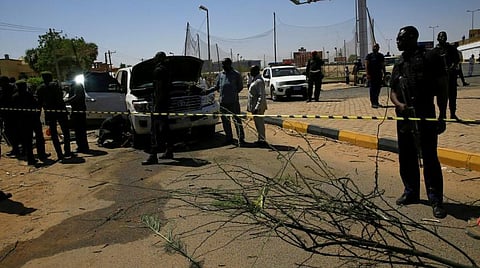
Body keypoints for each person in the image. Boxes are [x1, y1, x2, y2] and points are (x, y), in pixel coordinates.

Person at [390, 26, 448, 219]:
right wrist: (399, 105)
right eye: (398, 39)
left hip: (425, 114)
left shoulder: (430, 57)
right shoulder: (399, 62)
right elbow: (393, 92)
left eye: (402, 38)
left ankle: (435, 199)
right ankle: (411, 192)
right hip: (405, 117)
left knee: (430, 157)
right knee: (406, 156)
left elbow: (442, 88)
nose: (398, 41)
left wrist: (442, 115)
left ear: (414, 37)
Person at [142, 52, 173, 165]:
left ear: (158, 59)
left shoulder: (159, 70)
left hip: (160, 104)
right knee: (165, 128)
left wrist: (156, 105)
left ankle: (153, 155)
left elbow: (159, 89)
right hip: (166, 103)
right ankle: (169, 150)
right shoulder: (167, 70)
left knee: (154, 130)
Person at [36, 71, 72, 161]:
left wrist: (38, 114)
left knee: (54, 135)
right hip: (60, 111)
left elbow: (39, 103)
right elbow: (60, 98)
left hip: (49, 113)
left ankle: (59, 154)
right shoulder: (56, 85)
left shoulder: (40, 88)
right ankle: (67, 151)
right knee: (65, 132)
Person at [211, 58, 245, 146]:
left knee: (237, 120)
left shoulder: (236, 74)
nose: (223, 66)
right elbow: (216, 86)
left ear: (229, 64)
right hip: (223, 102)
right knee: (226, 121)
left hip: (233, 102)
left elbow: (240, 87)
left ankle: (241, 138)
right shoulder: (220, 75)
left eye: (224, 64)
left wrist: (232, 93)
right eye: (222, 64)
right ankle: (229, 138)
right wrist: (207, 91)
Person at [434, 31, 460, 120]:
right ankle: (442, 114)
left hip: (451, 76)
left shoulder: (451, 48)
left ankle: (453, 113)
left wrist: (451, 67)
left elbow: (456, 60)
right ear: (437, 38)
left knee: (452, 96)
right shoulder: (435, 50)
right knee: (441, 97)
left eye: (444, 36)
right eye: (441, 36)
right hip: (440, 77)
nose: (443, 38)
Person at [11, 80, 37, 165]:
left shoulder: (15, 96)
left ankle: (26, 154)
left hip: (19, 121)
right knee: (29, 139)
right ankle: (31, 158)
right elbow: (34, 104)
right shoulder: (28, 95)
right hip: (29, 119)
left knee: (24, 139)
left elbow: (13, 110)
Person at [65, 82, 89, 153]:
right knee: (79, 130)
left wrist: (66, 101)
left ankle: (82, 147)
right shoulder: (74, 86)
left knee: (79, 130)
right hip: (77, 110)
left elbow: (76, 96)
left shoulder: (77, 86)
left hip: (79, 111)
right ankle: (82, 146)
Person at [246, 65, 267, 147]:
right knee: (257, 124)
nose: (250, 73)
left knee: (260, 124)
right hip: (254, 107)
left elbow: (261, 96)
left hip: (258, 108)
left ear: (256, 71)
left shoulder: (259, 81)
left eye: (251, 71)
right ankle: (260, 139)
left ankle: (262, 140)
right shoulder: (254, 80)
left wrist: (257, 107)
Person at [365, 43, 386, 108]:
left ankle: (376, 102)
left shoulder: (381, 56)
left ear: (378, 48)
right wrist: (367, 74)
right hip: (372, 75)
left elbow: (383, 65)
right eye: (374, 47)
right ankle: (373, 103)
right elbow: (366, 65)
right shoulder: (369, 56)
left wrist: (384, 73)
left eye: (376, 47)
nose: (375, 48)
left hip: (379, 75)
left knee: (378, 89)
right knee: (372, 89)